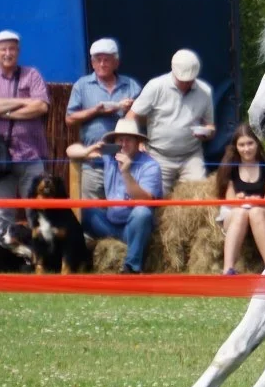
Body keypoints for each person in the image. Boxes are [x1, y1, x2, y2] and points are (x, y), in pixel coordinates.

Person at [0, 30, 51, 239]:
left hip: (31, 154)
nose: (8, 53)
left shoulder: (32, 75)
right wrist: (24, 101)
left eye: (12, 49)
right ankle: (4, 257)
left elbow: (41, 107)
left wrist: (4, 111)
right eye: (3, 49)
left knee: (37, 211)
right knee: (2, 212)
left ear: (18, 51)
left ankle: (40, 257)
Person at [73, 119, 162, 274]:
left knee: (142, 213)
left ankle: (132, 267)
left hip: (133, 227)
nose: (124, 144)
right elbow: (71, 151)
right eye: (120, 139)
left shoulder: (150, 165)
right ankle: (78, 261)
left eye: (128, 139)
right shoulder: (110, 157)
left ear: (138, 142)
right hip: (109, 223)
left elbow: (146, 199)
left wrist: (126, 172)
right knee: (81, 210)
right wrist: (90, 149)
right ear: (114, 142)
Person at [128, 49, 216, 197]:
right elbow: (131, 116)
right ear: (173, 71)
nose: (186, 83)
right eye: (182, 80)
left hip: (191, 156)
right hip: (159, 155)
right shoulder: (155, 86)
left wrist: (207, 133)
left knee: (198, 199)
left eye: (190, 80)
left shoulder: (204, 91)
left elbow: (210, 126)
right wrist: (137, 142)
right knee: (156, 200)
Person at [65, 38, 142, 200]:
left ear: (116, 63)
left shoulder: (131, 86)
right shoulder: (82, 85)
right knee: (92, 214)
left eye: (106, 60)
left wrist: (131, 110)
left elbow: (145, 119)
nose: (102, 64)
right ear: (92, 63)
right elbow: (70, 119)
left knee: (124, 209)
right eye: (98, 60)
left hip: (126, 161)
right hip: (95, 159)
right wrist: (96, 110)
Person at [214, 123, 265, 276]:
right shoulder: (229, 167)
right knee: (240, 213)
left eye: (250, 143)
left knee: (256, 212)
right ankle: (228, 269)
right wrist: (239, 199)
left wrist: (254, 202)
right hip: (235, 212)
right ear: (235, 146)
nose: (246, 149)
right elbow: (229, 201)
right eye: (242, 145)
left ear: (257, 143)